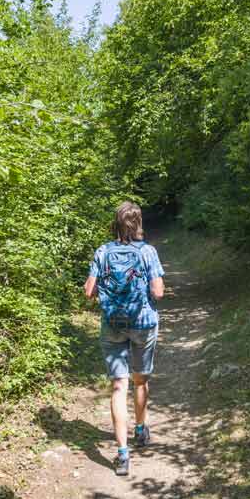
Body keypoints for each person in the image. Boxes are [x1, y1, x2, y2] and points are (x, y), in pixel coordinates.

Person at [84, 201, 165, 476]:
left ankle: (121, 454)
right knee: (140, 380)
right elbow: (159, 292)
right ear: (138, 223)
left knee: (119, 386)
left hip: (112, 325)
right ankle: (141, 430)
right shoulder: (148, 252)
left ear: (116, 224)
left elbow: (88, 291)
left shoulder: (102, 251)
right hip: (143, 323)